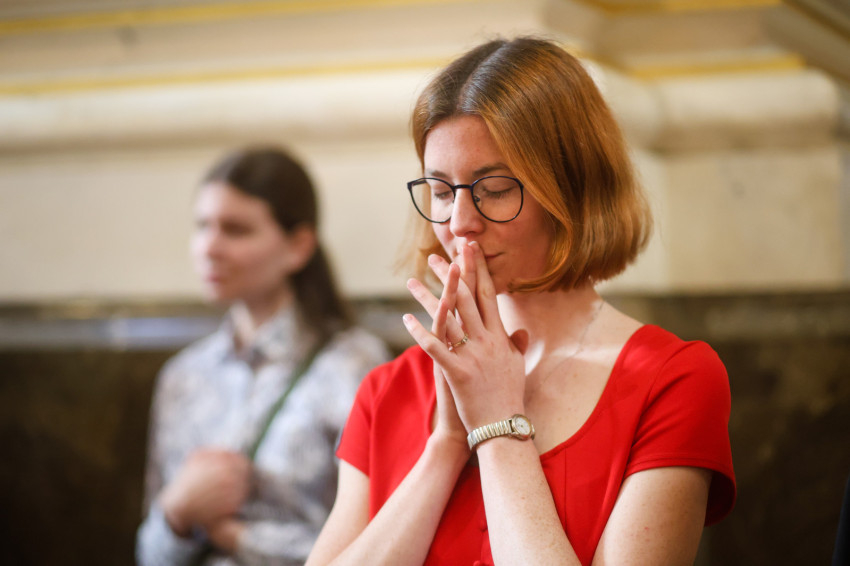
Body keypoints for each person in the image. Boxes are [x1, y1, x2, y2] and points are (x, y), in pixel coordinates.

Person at [305, 37, 736, 566]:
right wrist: (446, 444)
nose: (460, 222)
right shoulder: (389, 389)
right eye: (442, 191)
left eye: (494, 188)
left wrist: (498, 424)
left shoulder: (672, 380)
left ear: (572, 189)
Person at [136, 146, 390, 566]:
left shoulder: (353, 366)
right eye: (202, 226)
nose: (209, 247)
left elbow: (384, 541)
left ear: (298, 246)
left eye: (235, 230)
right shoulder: (183, 375)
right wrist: (176, 514)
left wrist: (237, 537)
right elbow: (149, 556)